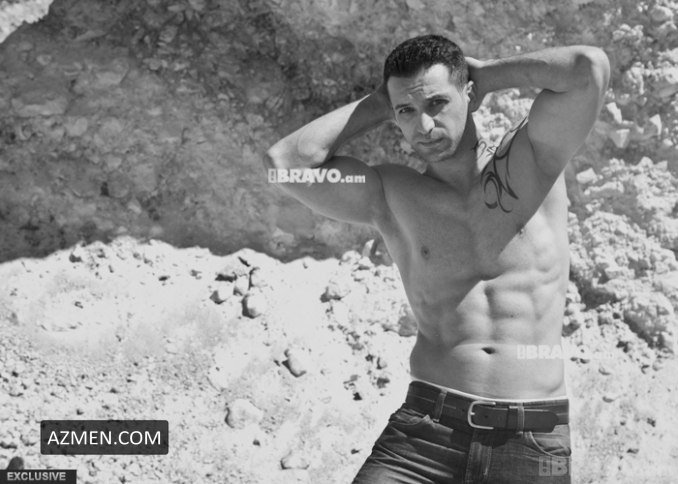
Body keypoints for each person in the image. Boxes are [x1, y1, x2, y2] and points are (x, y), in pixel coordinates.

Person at [265, 34, 609, 483]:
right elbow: (285, 164)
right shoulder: (392, 195)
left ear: (469, 94)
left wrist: (486, 74)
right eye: (407, 112)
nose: (424, 126)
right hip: (424, 436)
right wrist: (383, 102)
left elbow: (588, 68)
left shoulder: (534, 158)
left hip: (532, 437)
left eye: (437, 103)